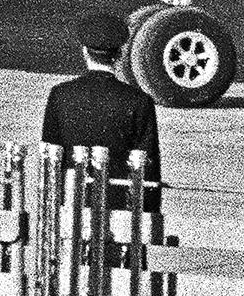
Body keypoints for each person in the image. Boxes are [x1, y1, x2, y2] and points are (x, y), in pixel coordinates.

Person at [42, 11, 163, 179]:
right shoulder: (138, 100)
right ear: (120, 54)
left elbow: (50, 156)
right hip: (120, 200)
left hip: (70, 198)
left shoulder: (60, 94)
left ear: (84, 51)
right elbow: (147, 166)